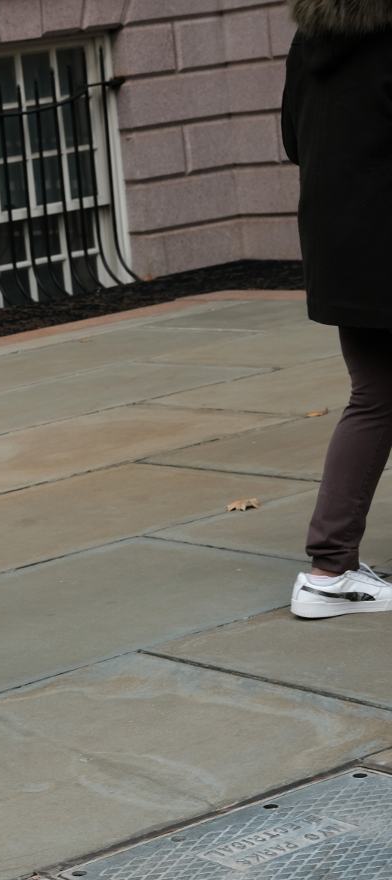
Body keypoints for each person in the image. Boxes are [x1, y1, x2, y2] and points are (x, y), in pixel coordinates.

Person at [282, 0, 392, 619]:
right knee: (377, 399)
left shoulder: (311, 40)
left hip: (345, 248)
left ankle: (332, 564)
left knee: (375, 394)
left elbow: (294, 139)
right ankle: (329, 569)